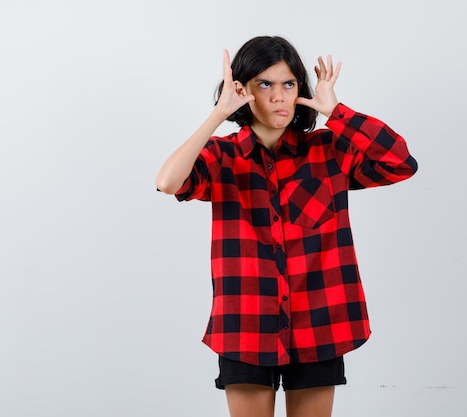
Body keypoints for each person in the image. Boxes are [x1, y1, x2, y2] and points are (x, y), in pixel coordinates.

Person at [156, 35, 417, 417]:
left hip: (320, 320)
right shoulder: (221, 157)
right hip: (245, 322)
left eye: (288, 84)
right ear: (242, 90)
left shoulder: (329, 150)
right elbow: (168, 182)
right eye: (265, 84)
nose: (279, 96)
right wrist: (217, 115)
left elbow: (400, 163)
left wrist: (337, 112)